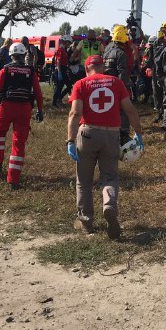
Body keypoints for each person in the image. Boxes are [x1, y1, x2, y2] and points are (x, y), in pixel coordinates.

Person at [66, 54, 144, 239]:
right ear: (102, 67)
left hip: (87, 134)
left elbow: (75, 113)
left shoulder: (81, 84)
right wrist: (139, 133)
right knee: (110, 176)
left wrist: (70, 140)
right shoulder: (116, 82)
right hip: (111, 135)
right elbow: (130, 109)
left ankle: (86, 222)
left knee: (83, 180)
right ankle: (109, 205)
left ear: (86, 69)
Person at [0, 42, 44, 189]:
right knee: (19, 142)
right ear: (24, 55)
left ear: (10, 55)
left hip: (6, 107)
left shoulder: (5, 69)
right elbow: (37, 93)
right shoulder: (31, 71)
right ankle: (13, 180)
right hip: (24, 108)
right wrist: (40, 110)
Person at [102, 25, 134, 146]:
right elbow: (123, 73)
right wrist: (122, 90)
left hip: (106, 86)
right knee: (124, 110)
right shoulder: (121, 54)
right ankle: (123, 135)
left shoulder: (106, 52)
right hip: (117, 86)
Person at [145, 21, 166, 123]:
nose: (165, 34)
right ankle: (159, 112)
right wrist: (147, 66)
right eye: (163, 31)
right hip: (157, 72)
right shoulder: (157, 42)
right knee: (157, 93)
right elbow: (151, 57)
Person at [52, 35, 71, 107]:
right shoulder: (60, 49)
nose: (69, 44)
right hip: (60, 69)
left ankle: (59, 98)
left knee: (69, 85)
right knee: (58, 87)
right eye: (69, 42)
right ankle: (54, 103)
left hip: (64, 69)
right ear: (66, 42)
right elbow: (58, 61)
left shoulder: (64, 50)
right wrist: (59, 72)